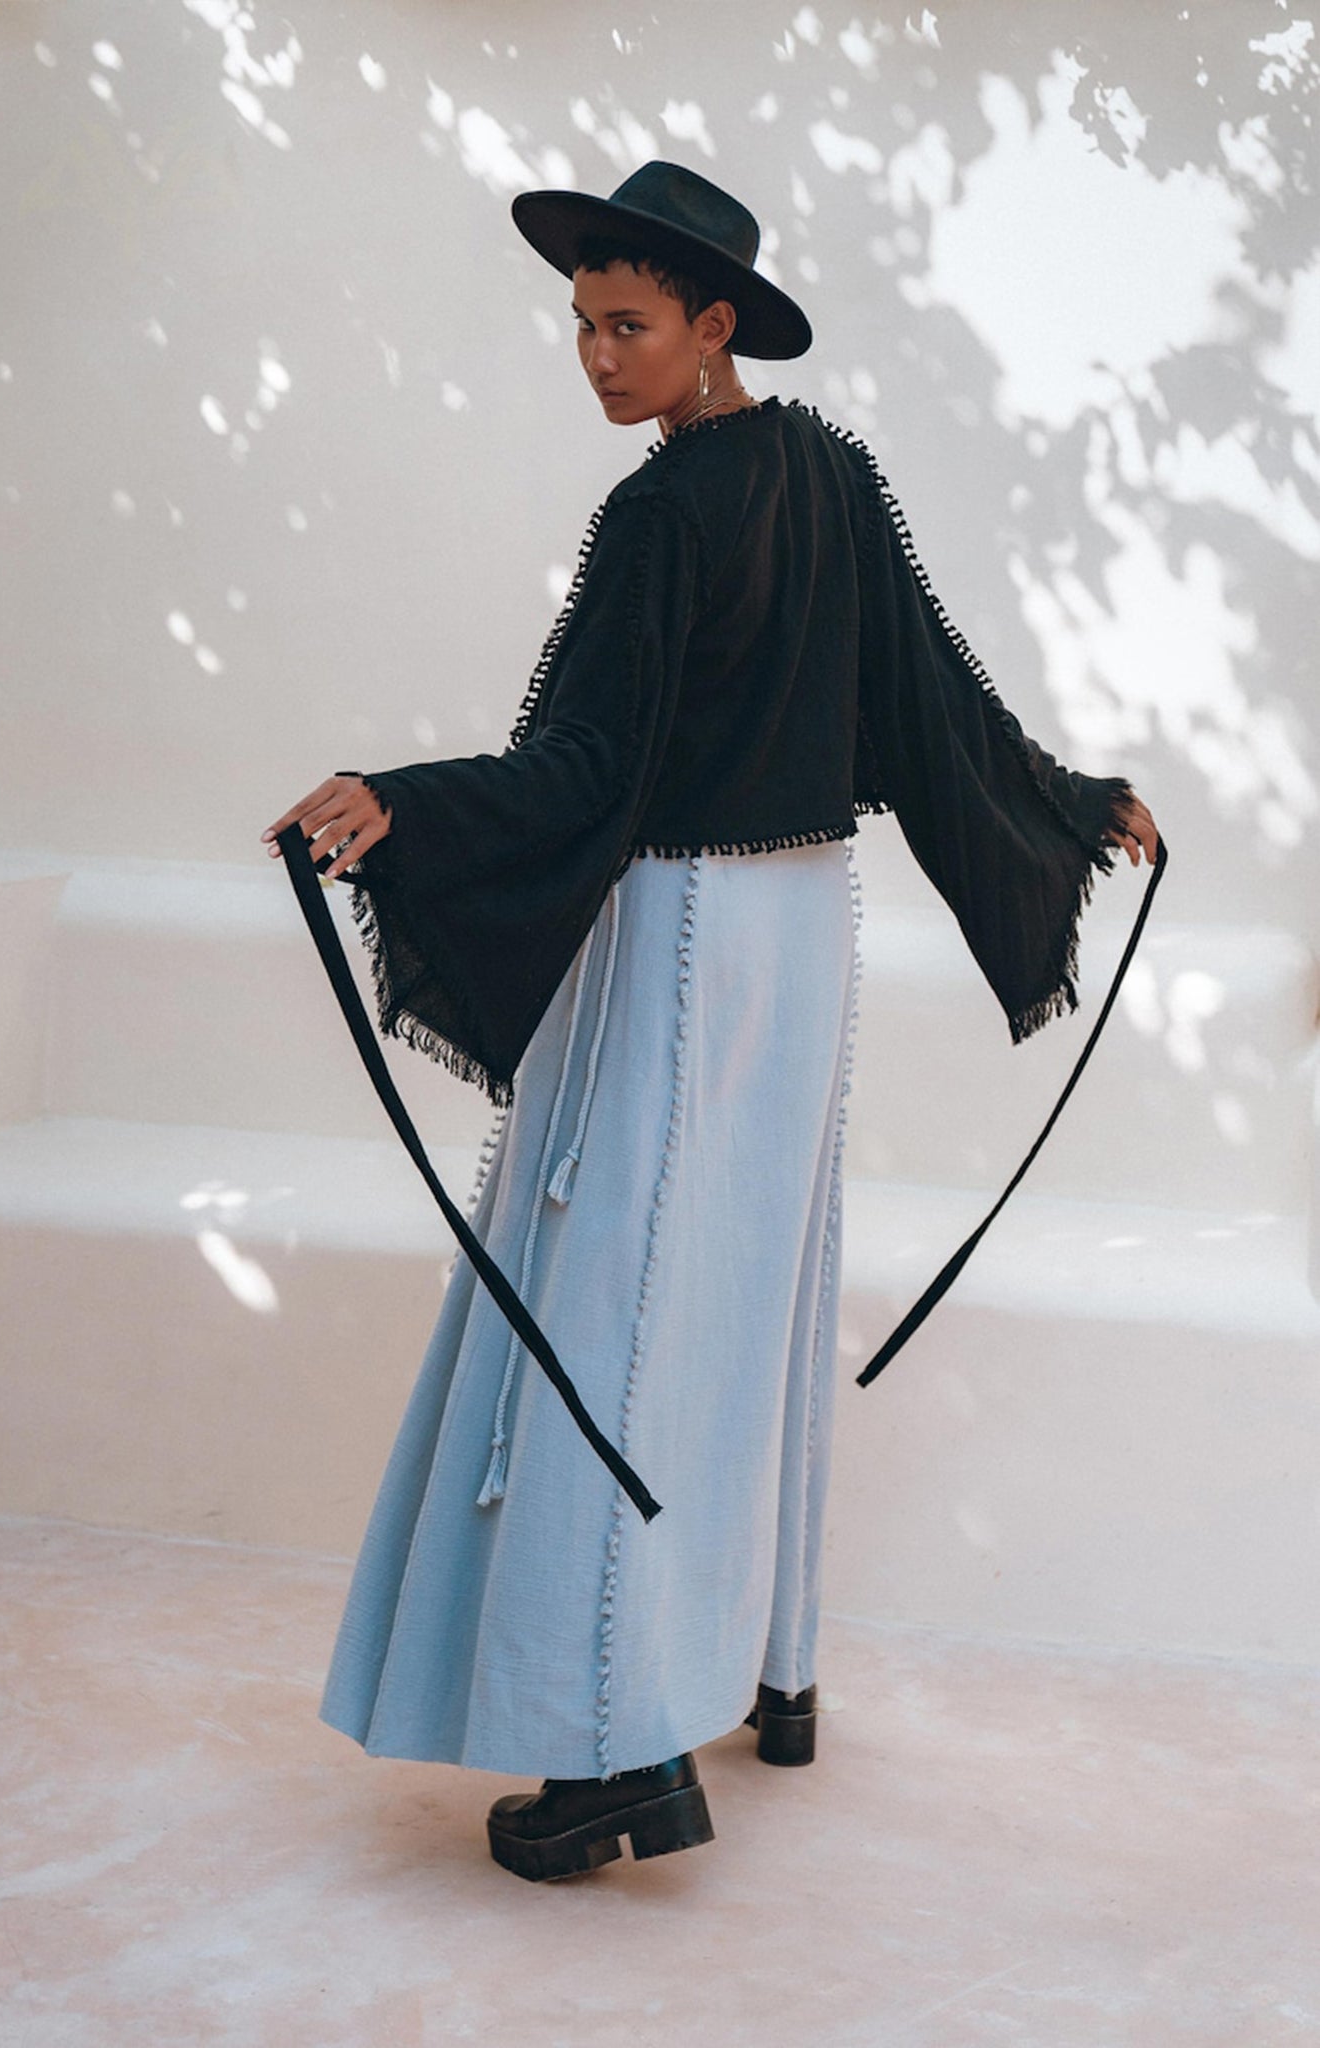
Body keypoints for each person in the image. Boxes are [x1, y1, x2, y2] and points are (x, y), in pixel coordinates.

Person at [261, 160, 1159, 1884]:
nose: (598, 358)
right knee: (745, 1295)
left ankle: (616, 1758)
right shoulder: (826, 474)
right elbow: (931, 716)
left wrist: (400, 802)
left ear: (713, 329)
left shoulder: (668, 512)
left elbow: (593, 766)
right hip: (802, 933)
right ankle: (770, 1670)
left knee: (619, 1318)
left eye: (629, 324)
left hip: (680, 933)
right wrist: (1066, 798)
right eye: (582, 326)